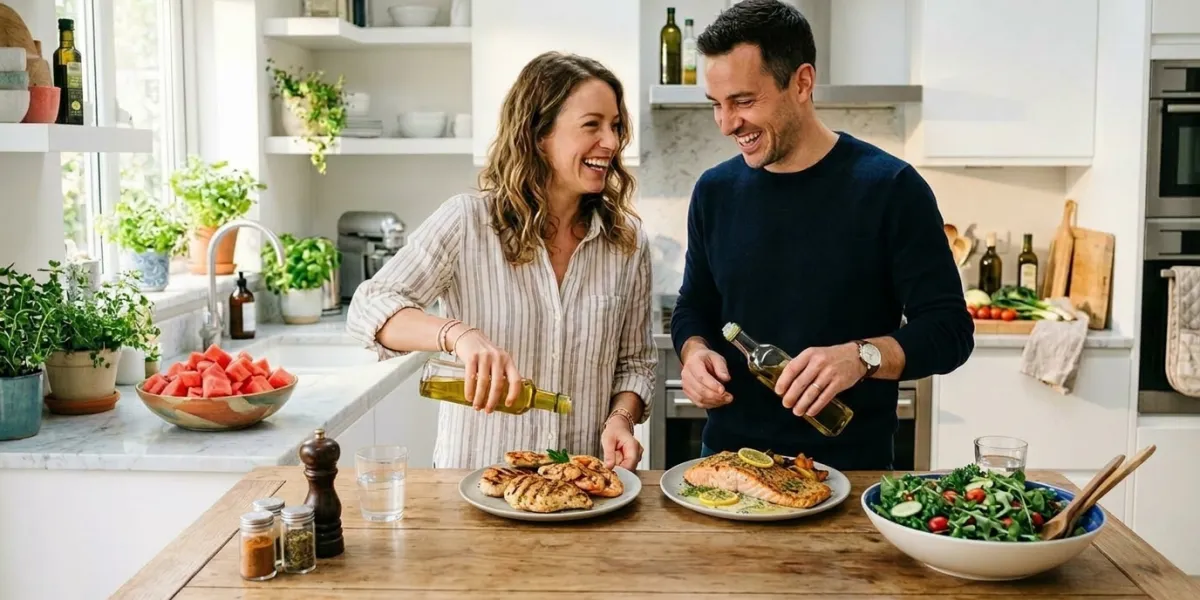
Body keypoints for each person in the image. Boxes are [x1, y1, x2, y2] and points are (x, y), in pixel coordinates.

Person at [670, 0, 974, 471]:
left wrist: (863, 356)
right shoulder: (715, 191)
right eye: (717, 105)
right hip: (726, 469)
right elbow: (695, 307)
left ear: (802, 82)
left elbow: (949, 331)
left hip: (851, 474)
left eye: (744, 101)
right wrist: (695, 353)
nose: (728, 124)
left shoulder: (891, 188)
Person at [346, 52, 656, 471]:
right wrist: (459, 335)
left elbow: (634, 365)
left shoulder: (627, 243)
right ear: (538, 134)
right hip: (476, 482)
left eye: (616, 126)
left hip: (580, 485)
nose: (613, 142)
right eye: (592, 125)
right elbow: (370, 305)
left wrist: (622, 418)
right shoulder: (467, 222)